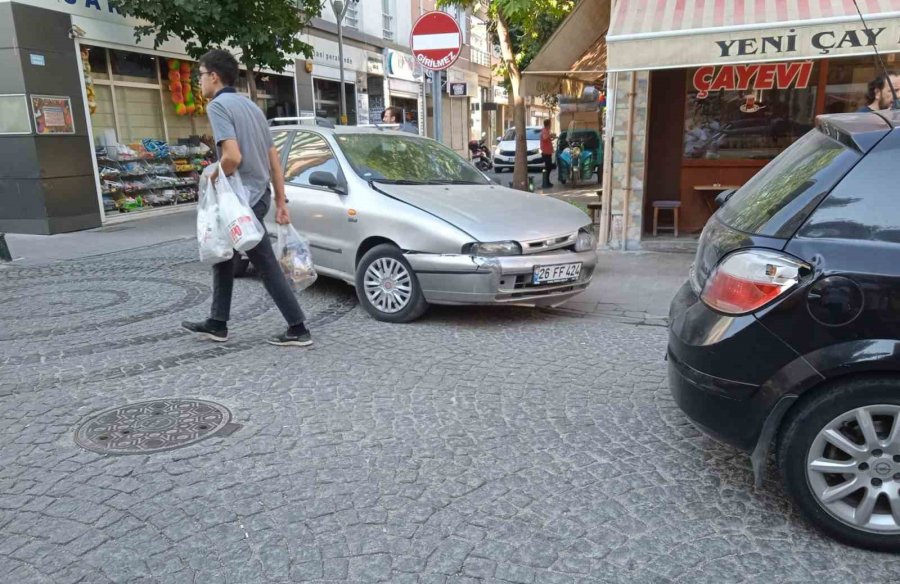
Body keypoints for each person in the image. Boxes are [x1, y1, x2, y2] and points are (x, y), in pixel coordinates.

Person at [182, 49, 312, 347]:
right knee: (223, 255)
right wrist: (280, 202)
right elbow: (273, 159)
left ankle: (298, 328)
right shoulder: (251, 107)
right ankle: (217, 322)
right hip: (259, 195)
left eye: (200, 75)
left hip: (241, 201)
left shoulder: (218, 106)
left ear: (214, 76)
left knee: (264, 262)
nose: (199, 81)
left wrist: (212, 175)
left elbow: (232, 157)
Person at [540, 119, 555, 188]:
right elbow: (544, 138)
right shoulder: (545, 131)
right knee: (548, 167)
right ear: (548, 124)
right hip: (546, 152)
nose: (550, 125)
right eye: (550, 124)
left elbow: (547, 139)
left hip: (548, 152)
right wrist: (550, 135)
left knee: (549, 167)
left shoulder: (546, 131)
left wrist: (551, 137)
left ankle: (547, 181)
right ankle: (546, 182)